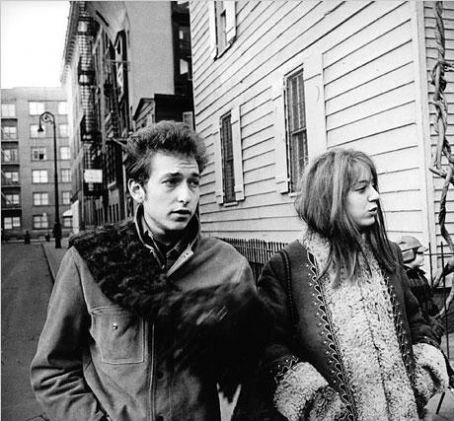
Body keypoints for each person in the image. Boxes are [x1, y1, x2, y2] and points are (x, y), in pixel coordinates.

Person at [31, 121, 269, 421]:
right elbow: (52, 369)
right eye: (171, 182)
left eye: (193, 183)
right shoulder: (89, 260)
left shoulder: (229, 267)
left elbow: (251, 379)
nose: (186, 196)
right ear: (137, 189)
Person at [235, 149, 449, 421]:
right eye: (362, 189)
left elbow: (418, 323)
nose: (375, 195)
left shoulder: (388, 254)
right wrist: (321, 406)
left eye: (373, 186)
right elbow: (269, 351)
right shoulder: (288, 267)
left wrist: (419, 382)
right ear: (330, 198)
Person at [398, 235, 444, 342]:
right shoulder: (404, 278)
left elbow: (430, 302)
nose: (423, 256)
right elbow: (412, 309)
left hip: (432, 326)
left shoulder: (419, 275)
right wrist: (430, 322)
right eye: (420, 253)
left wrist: (437, 320)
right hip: (419, 330)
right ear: (408, 254)